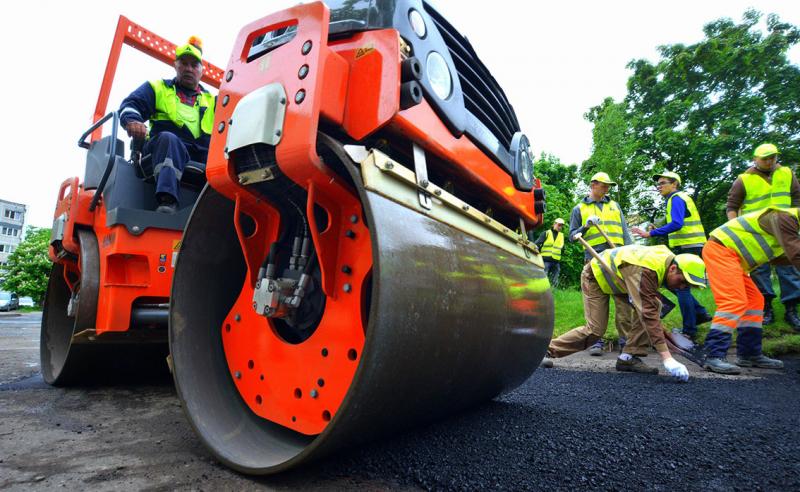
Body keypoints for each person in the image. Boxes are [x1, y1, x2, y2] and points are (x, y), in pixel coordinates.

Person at [543, 244, 707, 381]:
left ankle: (628, 358)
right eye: (683, 281)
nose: (682, 287)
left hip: (621, 278)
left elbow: (648, 308)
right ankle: (546, 351)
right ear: (673, 269)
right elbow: (647, 314)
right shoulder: (648, 270)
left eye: (688, 285)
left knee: (655, 306)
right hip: (596, 276)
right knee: (596, 330)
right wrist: (667, 357)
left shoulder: (666, 261)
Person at [118, 36, 216, 214]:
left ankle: (219, 211)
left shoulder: (213, 101)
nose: (188, 69)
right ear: (175, 66)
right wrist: (133, 121)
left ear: (201, 70)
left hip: (200, 154)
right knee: (169, 139)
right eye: (184, 63)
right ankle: (167, 201)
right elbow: (130, 105)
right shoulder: (157, 88)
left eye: (194, 65)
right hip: (162, 149)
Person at [701, 206, 797, 374]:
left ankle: (749, 354)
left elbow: (784, 257)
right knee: (733, 301)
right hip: (721, 251)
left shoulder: (789, 223)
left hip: (733, 257)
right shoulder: (785, 218)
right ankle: (713, 355)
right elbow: (796, 254)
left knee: (755, 301)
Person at [725, 143, 800, 329]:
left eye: (772, 157)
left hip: (785, 230)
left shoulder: (787, 173)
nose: (769, 161)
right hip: (756, 232)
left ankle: (791, 309)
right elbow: (732, 207)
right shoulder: (743, 179)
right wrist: (736, 229)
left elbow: (797, 199)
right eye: (765, 158)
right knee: (759, 270)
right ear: (755, 159)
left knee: (789, 268)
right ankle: (766, 308)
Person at [631, 171, 712, 340]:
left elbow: (677, 223)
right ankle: (700, 313)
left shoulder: (676, 198)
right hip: (691, 246)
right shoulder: (677, 199)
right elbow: (676, 222)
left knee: (679, 286)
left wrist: (650, 234)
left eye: (663, 183)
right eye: (658, 184)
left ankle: (690, 330)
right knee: (677, 285)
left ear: (674, 184)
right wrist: (658, 229)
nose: (659, 186)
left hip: (689, 247)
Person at [568, 171, 634, 355]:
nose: (606, 189)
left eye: (608, 186)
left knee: (623, 304)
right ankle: (596, 342)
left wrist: (631, 253)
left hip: (618, 258)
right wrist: (586, 227)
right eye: (603, 185)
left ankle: (626, 345)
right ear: (593, 184)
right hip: (594, 260)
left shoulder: (614, 205)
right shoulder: (579, 209)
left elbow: (625, 231)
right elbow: (572, 236)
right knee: (597, 304)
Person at [534, 218, 565, 288]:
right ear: (554, 224)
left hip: (556, 261)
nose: (560, 227)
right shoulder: (546, 233)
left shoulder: (561, 236)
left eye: (562, 226)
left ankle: (553, 292)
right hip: (545, 260)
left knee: (555, 280)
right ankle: (542, 291)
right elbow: (537, 244)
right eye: (559, 225)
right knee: (543, 278)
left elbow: (562, 248)